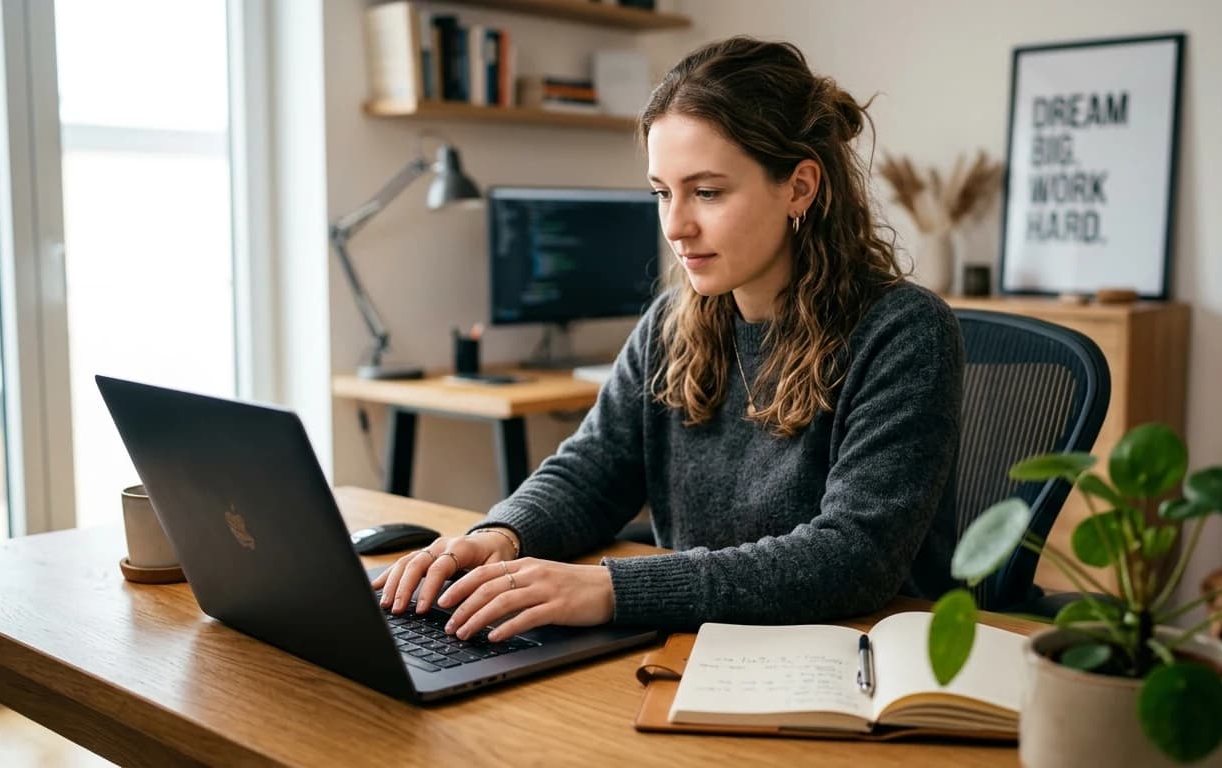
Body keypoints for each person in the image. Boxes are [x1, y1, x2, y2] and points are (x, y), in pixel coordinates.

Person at [372, 36, 964, 643]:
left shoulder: (903, 332)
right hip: (698, 647)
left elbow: (854, 557)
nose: (676, 226)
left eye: (707, 192)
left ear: (799, 187)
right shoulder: (671, 324)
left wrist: (612, 589)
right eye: (662, 192)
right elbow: (591, 473)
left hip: (859, 656)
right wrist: (502, 535)